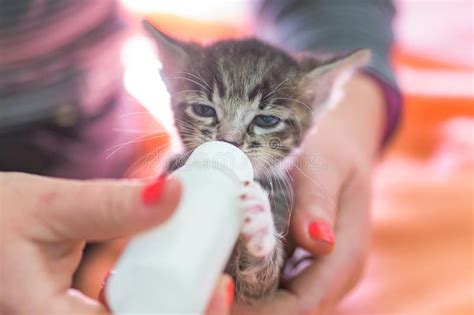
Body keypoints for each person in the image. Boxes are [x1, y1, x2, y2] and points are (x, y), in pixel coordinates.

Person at [0, 0, 401, 314]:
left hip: (82, 130)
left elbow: (256, 288)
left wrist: (357, 116)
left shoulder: (278, 188)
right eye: (205, 111)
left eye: (264, 120)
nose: (228, 139)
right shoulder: (175, 168)